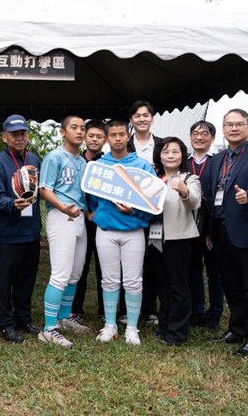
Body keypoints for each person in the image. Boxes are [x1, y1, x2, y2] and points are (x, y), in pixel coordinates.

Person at [203, 109, 248, 357]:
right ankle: (237, 329)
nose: (233, 128)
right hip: (221, 230)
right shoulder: (217, 159)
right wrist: (209, 230)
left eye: (239, 124)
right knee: (231, 285)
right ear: (223, 129)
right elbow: (210, 196)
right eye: (229, 124)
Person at [91, 119, 155, 346]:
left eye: (121, 134)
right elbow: (91, 199)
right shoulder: (99, 166)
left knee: (133, 280)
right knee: (108, 280)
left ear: (128, 136)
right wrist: (97, 216)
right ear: (106, 139)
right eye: (113, 135)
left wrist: (133, 211)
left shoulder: (142, 165)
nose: (117, 138)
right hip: (106, 230)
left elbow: (152, 201)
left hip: (133, 231)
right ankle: (110, 326)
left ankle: (132, 328)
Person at [36, 115, 91, 348]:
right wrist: (61, 207)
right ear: (62, 132)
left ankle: (65, 318)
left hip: (79, 218)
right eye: (74, 127)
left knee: (74, 274)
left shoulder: (83, 161)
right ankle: (49, 328)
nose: (79, 132)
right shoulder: (55, 156)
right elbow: (43, 189)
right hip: (61, 217)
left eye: (82, 128)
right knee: (60, 274)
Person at [0, 115, 43, 343]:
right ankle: (5, 323)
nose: (19, 138)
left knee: (26, 279)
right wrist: (12, 204)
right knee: (4, 281)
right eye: (14, 134)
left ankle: (23, 318)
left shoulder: (34, 159)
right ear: (4, 137)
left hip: (31, 231)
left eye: (23, 133)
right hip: (8, 234)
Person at [150, 137, 201, 345]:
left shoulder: (190, 178)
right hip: (155, 238)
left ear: (182, 156)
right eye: (165, 152)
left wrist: (183, 190)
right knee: (162, 285)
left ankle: (177, 333)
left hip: (179, 239)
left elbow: (194, 202)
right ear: (159, 156)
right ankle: (165, 326)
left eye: (175, 152)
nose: (170, 156)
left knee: (178, 285)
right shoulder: (153, 179)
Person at [127, 100, 163, 326]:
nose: (142, 119)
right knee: (128, 260)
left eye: (145, 115)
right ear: (131, 120)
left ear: (152, 118)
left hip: (154, 210)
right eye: (137, 115)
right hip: (128, 209)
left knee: (152, 260)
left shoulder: (162, 145)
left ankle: (149, 309)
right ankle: (125, 309)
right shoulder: (124, 144)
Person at [187, 121, 223, 331]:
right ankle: (196, 311)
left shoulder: (219, 162)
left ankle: (215, 313)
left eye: (204, 133)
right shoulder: (183, 161)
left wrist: (210, 230)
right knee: (193, 269)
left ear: (212, 138)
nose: (199, 137)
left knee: (215, 272)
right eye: (195, 133)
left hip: (212, 224)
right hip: (188, 224)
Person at [71, 119, 107, 324]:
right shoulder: (76, 161)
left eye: (99, 136)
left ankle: (105, 310)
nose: (94, 139)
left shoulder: (109, 163)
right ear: (85, 137)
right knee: (80, 266)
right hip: (82, 220)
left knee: (105, 267)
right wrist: (86, 212)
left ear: (105, 140)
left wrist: (99, 213)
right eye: (91, 135)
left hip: (103, 222)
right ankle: (75, 310)